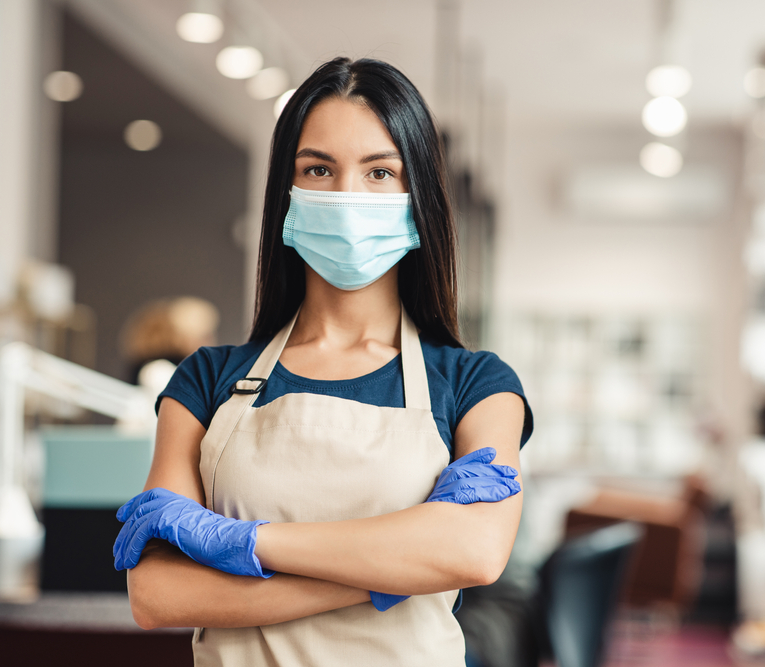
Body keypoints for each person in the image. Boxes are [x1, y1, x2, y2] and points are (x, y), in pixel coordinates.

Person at [112, 57, 533, 666]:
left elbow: (475, 553)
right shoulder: (206, 380)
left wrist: (238, 544)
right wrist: (398, 568)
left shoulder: (475, 385)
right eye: (318, 169)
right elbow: (159, 594)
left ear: (420, 199)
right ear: (286, 193)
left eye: (380, 172)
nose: (346, 197)